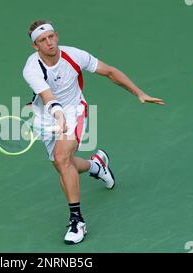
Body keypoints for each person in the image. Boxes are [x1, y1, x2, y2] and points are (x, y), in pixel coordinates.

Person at [22, 20, 165, 245]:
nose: (49, 43)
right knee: (62, 165)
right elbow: (48, 97)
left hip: (74, 111)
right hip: (47, 116)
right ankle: (97, 165)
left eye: (51, 37)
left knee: (62, 158)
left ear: (57, 35)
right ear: (35, 46)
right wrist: (57, 117)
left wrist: (138, 92)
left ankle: (77, 221)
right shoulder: (31, 68)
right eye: (42, 40)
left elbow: (108, 72)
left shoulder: (74, 55)